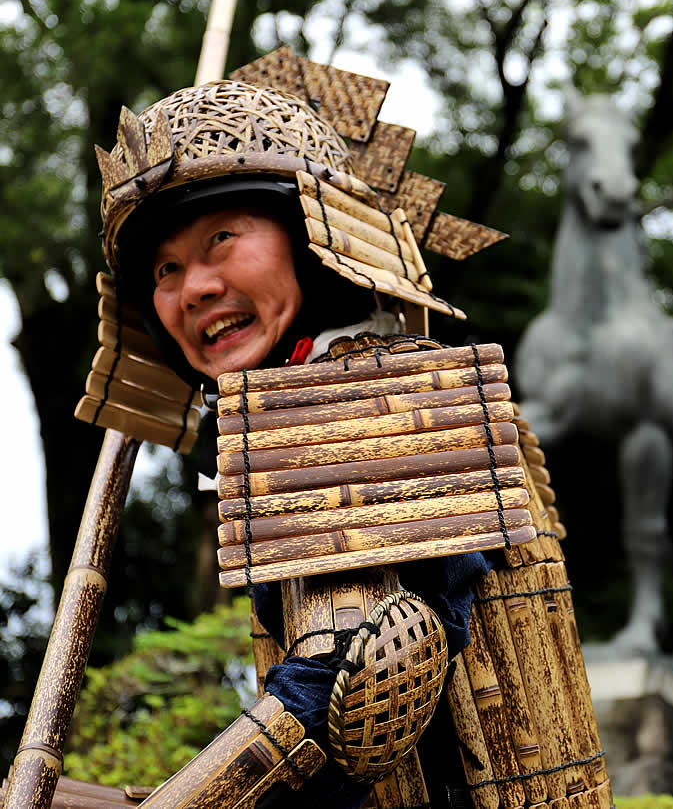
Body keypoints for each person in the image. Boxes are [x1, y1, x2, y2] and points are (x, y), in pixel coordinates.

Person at [74, 53, 611, 809]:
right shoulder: (325, 391)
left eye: (222, 237)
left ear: (314, 238)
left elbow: (370, 664)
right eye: (163, 269)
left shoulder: (376, 392)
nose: (192, 286)